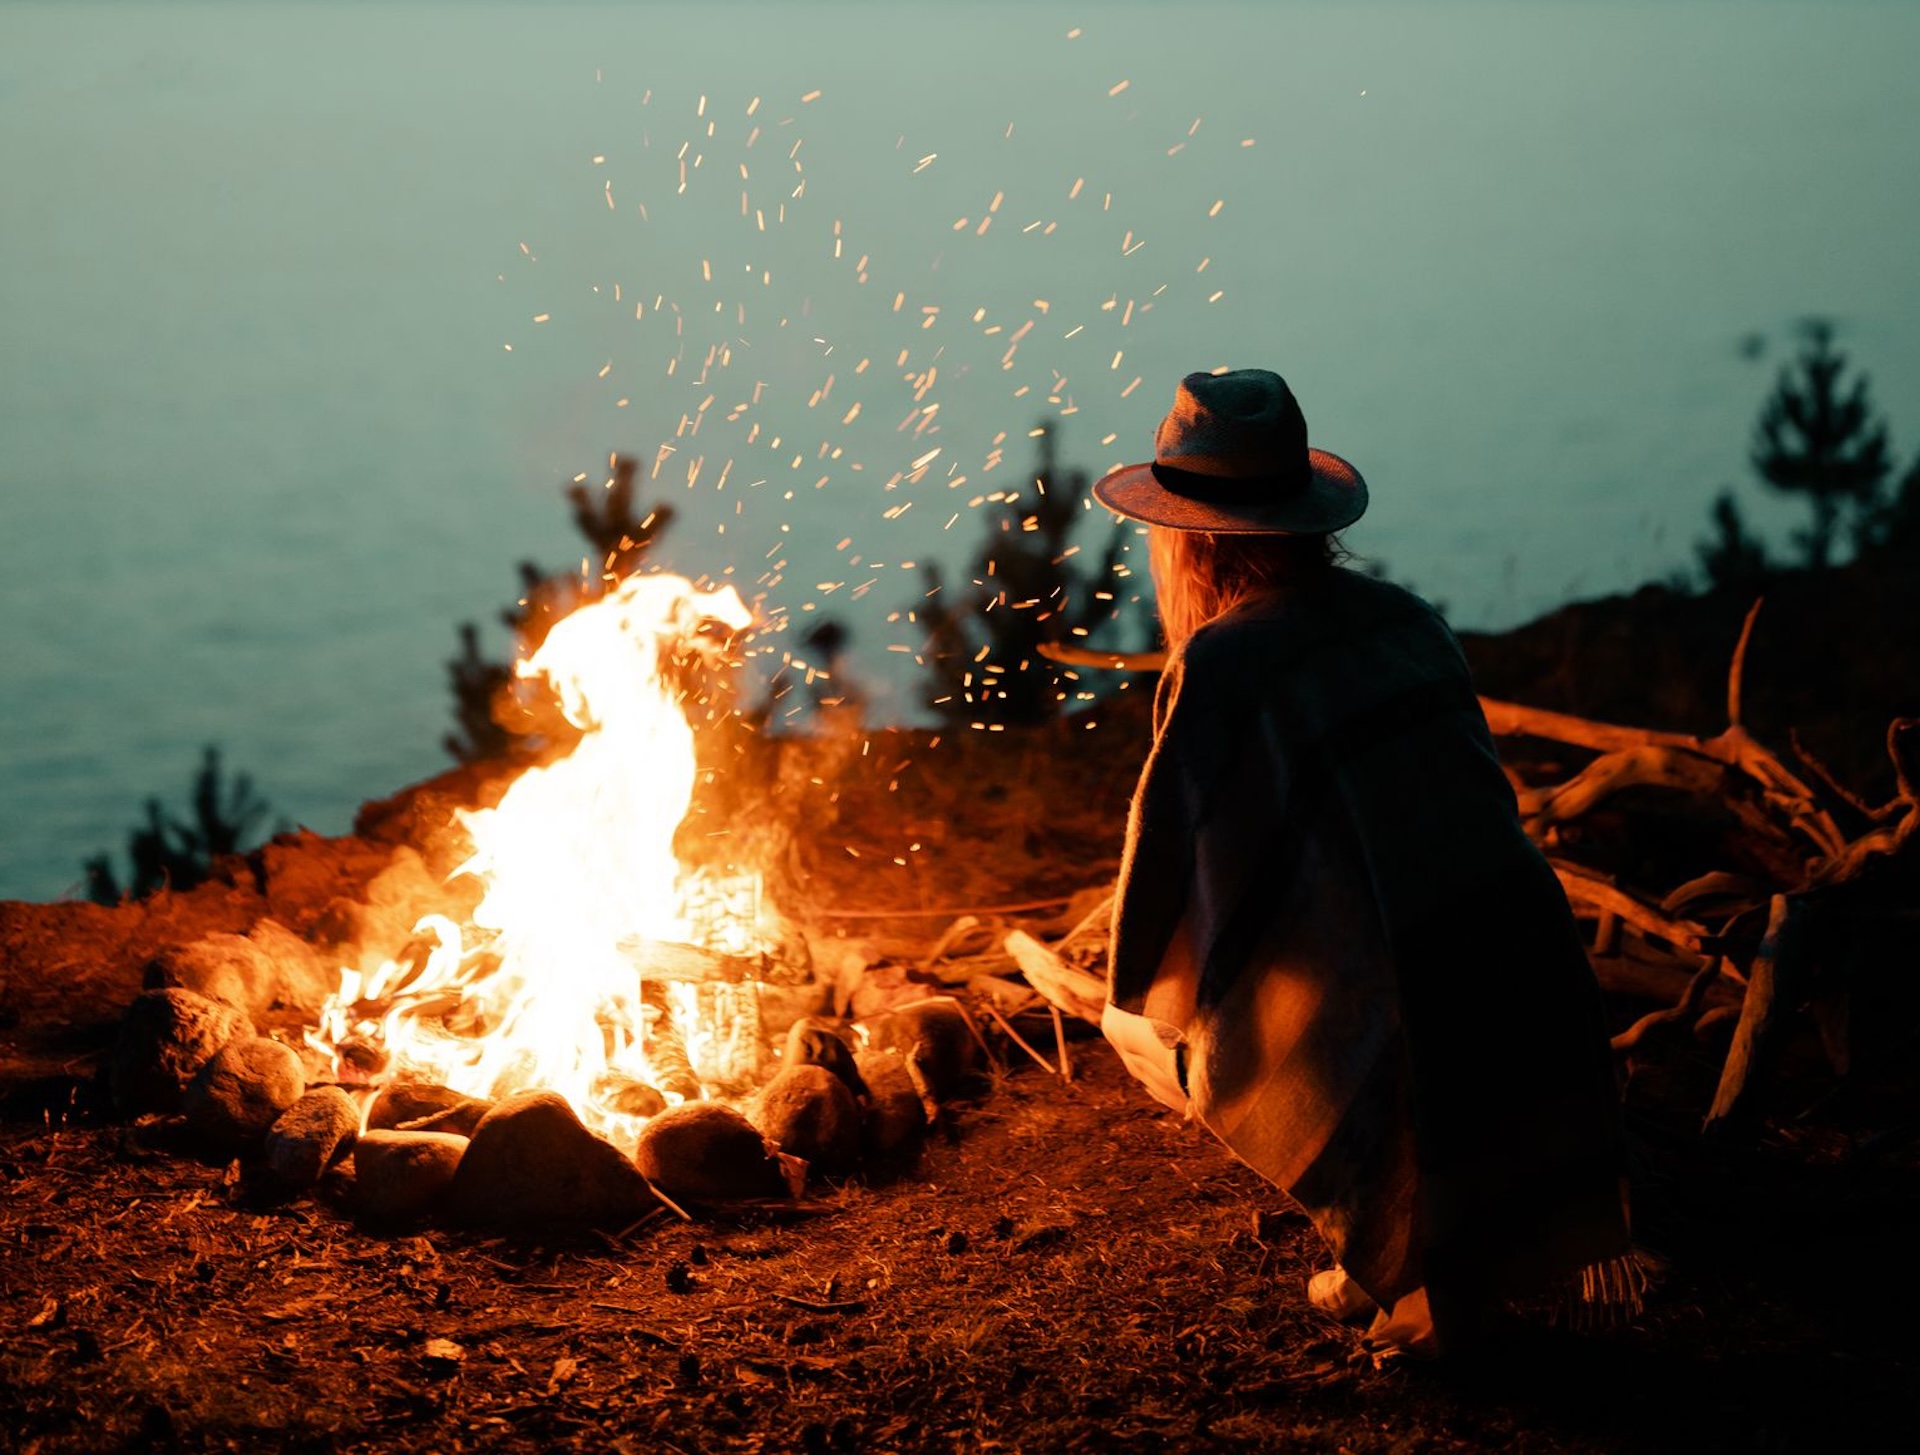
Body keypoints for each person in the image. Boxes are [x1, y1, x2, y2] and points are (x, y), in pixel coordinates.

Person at [1092, 369, 1635, 1359]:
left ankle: (1399, 1246)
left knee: (1145, 1018)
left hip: (1415, 1002)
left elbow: (1170, 899)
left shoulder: (1225, 665)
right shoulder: (1404, 617)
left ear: (1192, 537)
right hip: (1532, 975)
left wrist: (1177, 965)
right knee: (1360, 933)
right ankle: (1436, 1232)